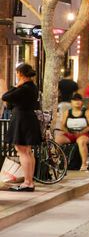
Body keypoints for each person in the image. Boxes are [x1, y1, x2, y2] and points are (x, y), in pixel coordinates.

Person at [2, 63, 41, 191]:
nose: (16, 75)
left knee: (22, 151)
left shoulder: (24, 88)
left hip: (22, 120)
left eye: (17, 73)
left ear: (21, 74)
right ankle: (29, 181)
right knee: (28, 152)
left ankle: (27, 182)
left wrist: (16, 86)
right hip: (28, 119)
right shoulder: (32, 87)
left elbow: (5, 96)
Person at [56, 93, 89, 171]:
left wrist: (82, 132)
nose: (77, 102)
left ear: (82, 102)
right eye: (75, 100)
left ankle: (84, 163)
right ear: (71, 102)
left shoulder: (86, 112)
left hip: (83, 134)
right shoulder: (67, 112)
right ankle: (55, 161)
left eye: (79, 100)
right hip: (70, 134)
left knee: (81, 141)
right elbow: (63, 126)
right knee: (57, 140)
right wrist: (67, 132)